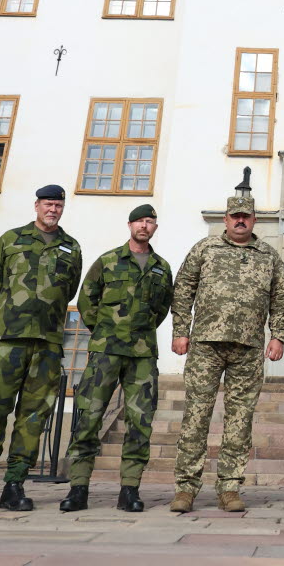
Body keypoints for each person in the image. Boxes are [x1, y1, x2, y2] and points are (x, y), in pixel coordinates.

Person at [0, 185, 82, 513]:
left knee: (33, 418)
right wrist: (9, 313)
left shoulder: (71, 247)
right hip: (9, 342)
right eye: (47, 204)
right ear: (37, 206)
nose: (52, 209)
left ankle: (14, 486)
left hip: (47, 344)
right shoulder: (11, 239)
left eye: (57, 205)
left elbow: (69, 290)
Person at [169, 194, 284, 513]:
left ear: (254, 221)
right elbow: (183, 289)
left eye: (246, 216)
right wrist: (180, 331)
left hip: (248, 348)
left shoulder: (268, 255)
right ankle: (186, 488)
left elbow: (281, 298)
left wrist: (277, 337)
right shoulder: (204, 249)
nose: (240, 220)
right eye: (234, 215)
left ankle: (229, 487)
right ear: (225, 219)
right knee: (196, 416)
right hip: (205, 346)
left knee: (240, 420)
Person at [59, 204, 173, 513]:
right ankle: (78, 488)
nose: (144, 226)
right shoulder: (108, 261)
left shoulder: (161, 268)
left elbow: (162, 308)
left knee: (140, 422)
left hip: (142, 355)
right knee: (89, 416)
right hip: (105, 352)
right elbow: (86, 299)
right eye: (139, 221)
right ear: (130, 224)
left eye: (150, 221)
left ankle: (129, 490)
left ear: (155, 228)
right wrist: (106, 330)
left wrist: (138, 330)